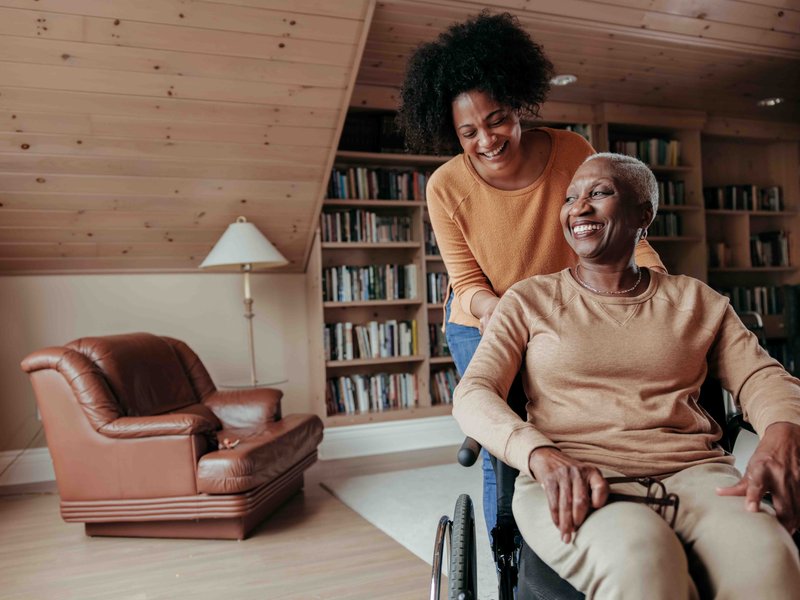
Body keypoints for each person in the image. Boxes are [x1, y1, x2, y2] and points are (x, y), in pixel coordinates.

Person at [452, 152, 800, 599]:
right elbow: (474, 391)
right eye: (571, 198)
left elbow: (763, 377)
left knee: (770, 560)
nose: (579, 207)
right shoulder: (529, 300)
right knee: (644, 561)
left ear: (643, 214)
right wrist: (539, 454)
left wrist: (782, 429)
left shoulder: (697, 301)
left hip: (695, 475)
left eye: (599, 193)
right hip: (575, 477)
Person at [396, 11, 667, 537]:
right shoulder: (445, 186)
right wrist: (512, 317)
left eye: (497, 119)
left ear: (517, 105)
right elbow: (468, 285)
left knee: (577, 423)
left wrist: (659, 282)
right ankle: (511, 558)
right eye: (468, 131)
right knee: (508, 441)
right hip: (483, 322)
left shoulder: (572, 151)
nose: (487, 140)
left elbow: (618, 231)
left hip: (569, 311)